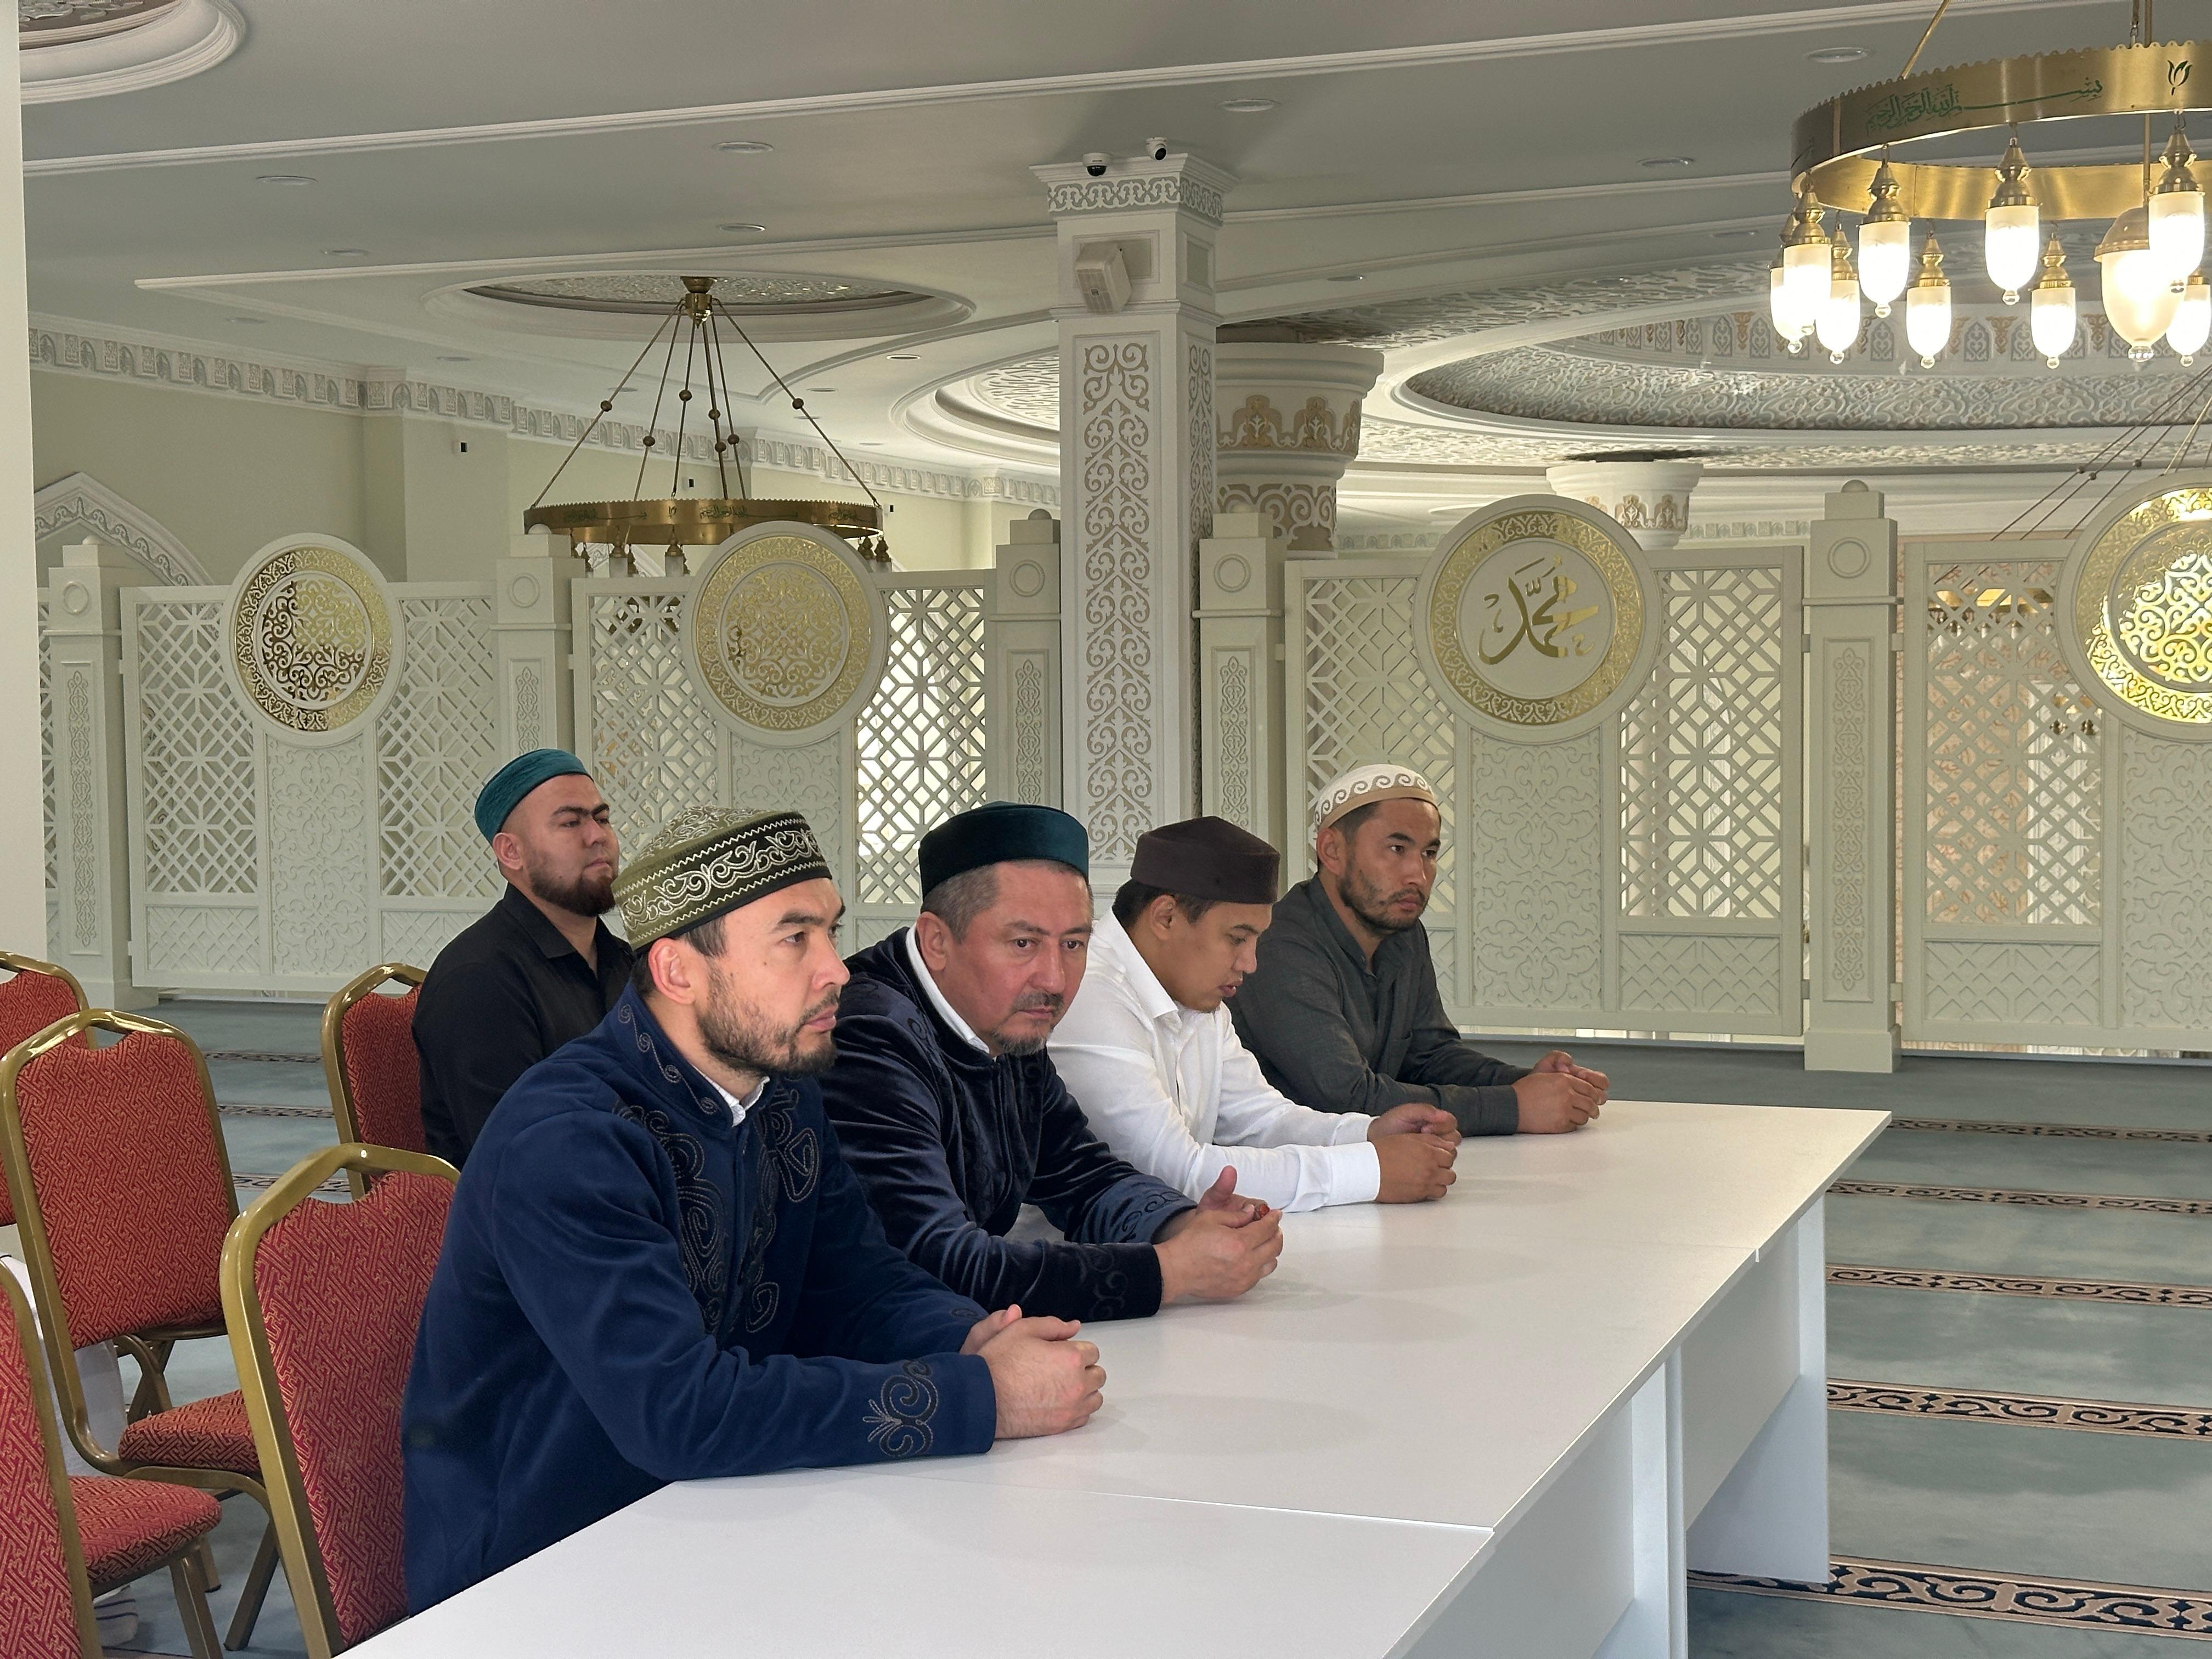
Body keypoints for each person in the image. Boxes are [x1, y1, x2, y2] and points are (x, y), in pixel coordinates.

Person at [402, 806, 1105, 1611]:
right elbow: (678, 1413)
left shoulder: (777, 1093)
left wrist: (968, 1336)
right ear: (678, 972)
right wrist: (980, 1398)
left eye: (829, 933)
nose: (836, 971)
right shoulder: (569, 1140)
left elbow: (857, 1283)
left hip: (717, 1516)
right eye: (794, 939)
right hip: (540, 1574)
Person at [821, 802, 1282, 1323]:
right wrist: (1169, 1270)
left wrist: (1180, 1224)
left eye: (1073, 944)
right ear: (937, 941)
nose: (1055, 980)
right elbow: (931, 1260)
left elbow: (1080, 1173)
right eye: (1023, 943)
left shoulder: (1007, 1016)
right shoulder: (867, 1034)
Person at [1052, 815, 1459, 1211]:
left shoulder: (1197, 994)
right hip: (1064, 1254)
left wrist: (1368, 1133)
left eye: (1256, 941)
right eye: (1237, 939)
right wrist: (1367, 1171)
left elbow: (1260, 1120)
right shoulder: (1087, 991)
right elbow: (1170, 1172)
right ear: (1166, 918)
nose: (1250, 963)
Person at [1231, 764, 1610, 1137]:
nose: (1418, 874)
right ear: (1332, 851)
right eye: (1397, 849)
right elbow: (1346, 1097)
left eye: (1429, 853)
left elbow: (1430, 1056)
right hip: (1287, 1169)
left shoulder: (1402, 934)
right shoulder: (1280, 947)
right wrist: (1514, 1106)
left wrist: (1527, 1082)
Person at [413, 749, 634, 1166]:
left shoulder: (625, 961)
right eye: (571, 823)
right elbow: (524, 1155)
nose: (597, 836)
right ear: (511, 852)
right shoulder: (478, 981)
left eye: (602, 818)